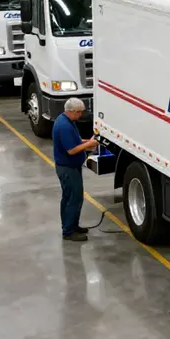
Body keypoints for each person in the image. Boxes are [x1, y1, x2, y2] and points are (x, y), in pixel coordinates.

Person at [53, 98, 97, 242]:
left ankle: (72, 225)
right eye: (79, 113)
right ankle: (68, 231)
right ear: (71, 111)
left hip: (70, 167)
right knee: (74, 198)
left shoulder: (66, 121)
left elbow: (76, 141)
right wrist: (90, 144)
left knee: (69, 197)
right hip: (68, 168)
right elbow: (72, 150)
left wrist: (88, 141)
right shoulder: (64, 126)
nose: (80, 115)